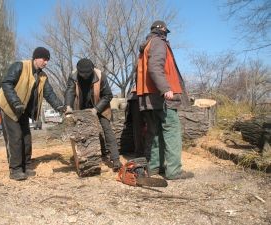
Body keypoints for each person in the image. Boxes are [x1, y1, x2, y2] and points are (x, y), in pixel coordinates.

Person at [0, 47, 66, 181]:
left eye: (47, 60)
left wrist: (60, 107)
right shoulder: (20, 66)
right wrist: (15, 102)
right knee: (15, 138)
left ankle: (26, 166)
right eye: (44, 59)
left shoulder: (42, 76)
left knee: (26, 138)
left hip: (22, 110)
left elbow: (49, 94)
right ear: (36, 58)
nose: (46, 63)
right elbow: (6, 83)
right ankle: (15, 169)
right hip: (8, 106)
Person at [136, 20, 194, 180]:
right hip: (161, 97)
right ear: (161, 31)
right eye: (165, 32)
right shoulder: (159, 43)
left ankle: (155, 167)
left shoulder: (146, 46)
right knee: (172, 131)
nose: (166, 35)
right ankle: (174, 171)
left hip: (148, 97)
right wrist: (165, 89)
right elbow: (155, 67)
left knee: (155, 133)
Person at [64, 58, 122, 171]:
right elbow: (70, 91)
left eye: (87, 74)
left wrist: (96, 109)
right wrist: (68, 106)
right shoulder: (73, 76)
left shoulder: (101, 76)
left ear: (92, 69)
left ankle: (115, 159)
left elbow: (108, 95)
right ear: (78, 70)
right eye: (82, 74)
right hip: (82, 107)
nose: (85, 76)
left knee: (107, 130)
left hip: (101, 105)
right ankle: (87, 157)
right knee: (83, 134)